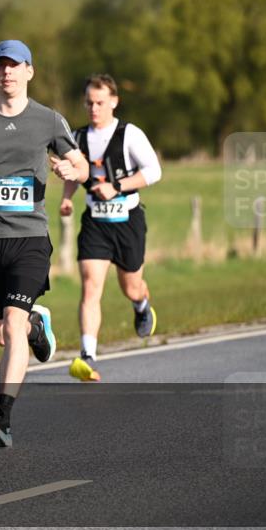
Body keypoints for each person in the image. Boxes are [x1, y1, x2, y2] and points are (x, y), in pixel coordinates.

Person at [0, 39, 88, 447]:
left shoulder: (48, 120)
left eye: (15, 65)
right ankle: (36, 325)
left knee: (11, 324)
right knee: (4, 335)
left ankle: (2, 419)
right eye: (0, 65)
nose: (7, 72)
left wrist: (67, 168)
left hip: (29, 238)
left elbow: (80, 163)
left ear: (29, 71)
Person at [59, 74, 162, 382]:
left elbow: (154, 171)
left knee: (130, 285)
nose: (94, 108)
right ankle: (87, 355)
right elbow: (74, 174)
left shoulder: (129, 134)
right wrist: (66, 199)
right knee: (91, 286)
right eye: (89, 103)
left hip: (127, 221)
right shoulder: (77, 138)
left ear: (114, 102)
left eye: (100, 103)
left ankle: (141, 305)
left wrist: (117, 187)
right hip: (95, 224)